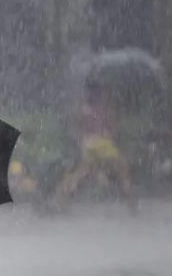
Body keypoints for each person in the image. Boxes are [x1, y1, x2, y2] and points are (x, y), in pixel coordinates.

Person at [55, 79, 137, 211]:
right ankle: (131, 202)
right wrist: (107, 134)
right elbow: (114, 130)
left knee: (81, 173)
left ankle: (62, 199)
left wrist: (81, 139)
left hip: (89, 144)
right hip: (102, 145)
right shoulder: (104, 109)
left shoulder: (84, 109)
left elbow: (75, 130)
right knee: (122, 171)